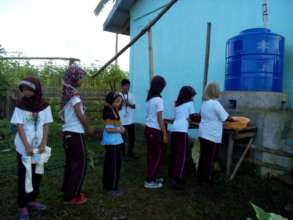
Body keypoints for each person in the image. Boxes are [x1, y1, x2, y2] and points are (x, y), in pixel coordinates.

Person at [11, 77, 53, 220]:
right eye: (23, 88)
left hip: (38, 148)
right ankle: (22, 205)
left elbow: (46, 125)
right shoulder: (20, 105)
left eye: (28, 88)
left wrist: (43, 143)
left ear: (36, 89)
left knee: (37, 174)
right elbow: (19, 126)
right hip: (24, 148)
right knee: (24, 175)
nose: (25, 91)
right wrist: (27, 146)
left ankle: (32, 200)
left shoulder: (45, 106)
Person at [60, 64, 93, 205]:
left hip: (67, 133)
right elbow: (80, 114)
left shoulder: (68, 94)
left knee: (71, 163)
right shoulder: (74, 96)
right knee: (81, 164)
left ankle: (67, 190)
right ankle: (73, 196)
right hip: (75, 134)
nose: (82, 80)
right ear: (74, 78)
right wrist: (88, 128)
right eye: (81, 77)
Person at [198, 83, 234, 187]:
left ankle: (200, 178)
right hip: (211, 136)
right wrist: (234, 119)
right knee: (210, 158)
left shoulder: (205, 103)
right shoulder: (215, 104)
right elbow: (226, 117)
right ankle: (206, 180)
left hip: (203, 134)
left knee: (203, 157)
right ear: (215, 92)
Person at [170, 86, 197, 190]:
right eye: (192, 96)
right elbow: (193, 117)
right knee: (182, 155)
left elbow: (180, 116)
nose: (193, 98)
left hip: (175, 129)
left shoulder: (177, 103)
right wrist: (192, 119)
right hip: (182, 131)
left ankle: (173, 174)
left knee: (175, 153)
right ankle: (178, 178)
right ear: (188, 95)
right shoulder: (190, 104)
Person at [144, 75, 168, 189]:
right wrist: (164, 133)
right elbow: (159, 118)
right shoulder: (159, 100)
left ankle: (152, 176)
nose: (164, 88)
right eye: (163, 86)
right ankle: (150, 180)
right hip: (154, 129)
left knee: (151, 155)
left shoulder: (150, 99)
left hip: (148, 128)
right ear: (160, 87)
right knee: (157, 155)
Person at [101, 92, 125, 196]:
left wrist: (120, 128)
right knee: (114, 165)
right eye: (117, 101)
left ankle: (107, 185)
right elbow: (109, 129)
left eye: (120, 101)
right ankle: (112, 188)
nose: (119, 103)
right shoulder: (109, 112)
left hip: (115, 142)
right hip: (112, 142)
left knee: (110, 164)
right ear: (111, 101)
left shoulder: (113, 110)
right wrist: (120, 129)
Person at [119, 79, 137, 159]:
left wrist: (127, 104)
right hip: (121, 120)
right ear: (122, 86)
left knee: (132, 137)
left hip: (130, 120)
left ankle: (130, 152)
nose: (127, 87)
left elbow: (134, 106)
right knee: (122, 137)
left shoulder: (131, 95)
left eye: (128, 86)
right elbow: (117, 108)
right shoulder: (118, 95)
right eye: (126, 86)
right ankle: (122, 153)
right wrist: (121, 103)